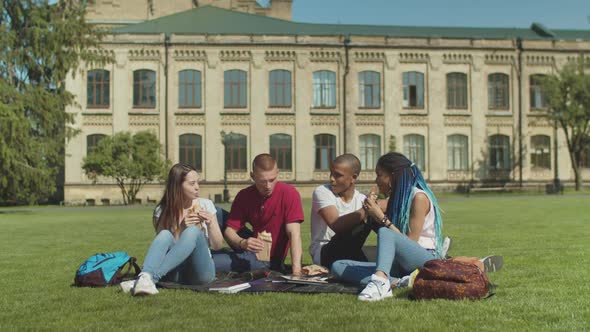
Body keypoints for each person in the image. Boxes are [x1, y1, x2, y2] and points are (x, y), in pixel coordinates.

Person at [331, 152, 444, 301]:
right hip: (401, 263)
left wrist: (381, 218)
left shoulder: (419, 197)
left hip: (425, 258)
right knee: (338, 266)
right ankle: (398, 282)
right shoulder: (397, 199)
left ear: (392, 176)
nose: (376, 180)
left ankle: (380, 282)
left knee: (385, 231)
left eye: (379, 175)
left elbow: (410, 242)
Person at [121, 163, 224, 296]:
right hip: (173, 271)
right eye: (192, 184)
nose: (197, 187)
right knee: (165, 234)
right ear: (177, 186)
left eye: (197, 182)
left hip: (200, 272)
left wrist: (210, 224)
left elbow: (218, 246)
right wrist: (180, 229)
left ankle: (147, 278)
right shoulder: (162, 211)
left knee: (193, 232)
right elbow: (162, 251)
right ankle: (146, 278)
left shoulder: (206, 205)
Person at [212, 154, 304, 275]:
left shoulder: (289, 193)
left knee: (208, 261)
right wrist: (242, 242)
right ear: (252, 176)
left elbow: (294, 234)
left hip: (266, 259)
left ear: (277, 173)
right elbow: (229, 231)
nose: (268, 186)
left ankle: (200, 258)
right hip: (251, 242)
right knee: (212, 210)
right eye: (262, 181)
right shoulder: (244, 195)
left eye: (272, 180)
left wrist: (297, 271)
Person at [309, 154, 378, 268]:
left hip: (351, 250)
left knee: (376, 218)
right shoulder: (322, 192)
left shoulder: (361, 199)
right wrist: (368, 209)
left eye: (338, 176)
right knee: (369, 215)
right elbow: (336, 224)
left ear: (353, 177)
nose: (332, 179)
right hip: (326, 252)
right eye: (331, 173)